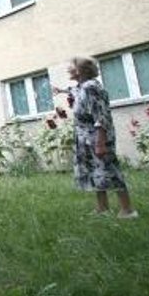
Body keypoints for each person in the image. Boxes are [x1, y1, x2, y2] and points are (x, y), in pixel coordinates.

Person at [58, 57, 138, 219]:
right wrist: (62, 97)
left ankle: (127, 210)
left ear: (80, 70)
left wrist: (101, 142)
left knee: (110, 170)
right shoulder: (81, 87)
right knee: (94, 170)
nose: (68, 68)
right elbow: (77, 98)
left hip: (97, 136)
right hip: (85, 136)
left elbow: (101, 115)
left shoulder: (91, 87)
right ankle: (102, 209)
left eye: (71, 66)